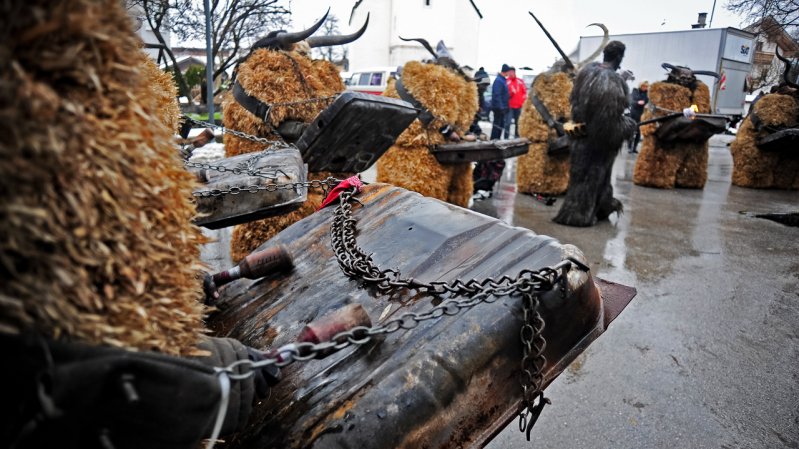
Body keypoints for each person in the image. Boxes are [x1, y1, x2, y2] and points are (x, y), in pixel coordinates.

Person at [553, 41, 636, 226]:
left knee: (584, 175)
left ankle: (601, 207)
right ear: (619, 57)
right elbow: (606, 122)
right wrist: (628, 126)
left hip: (580, 134)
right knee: (592, 176)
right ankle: (579, 215)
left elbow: (576, 103)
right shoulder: (613, 81)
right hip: (597, 141)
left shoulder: (586, 72)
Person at [490, 64, 511, 140]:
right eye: (508, 71)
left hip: (502, 108)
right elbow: (497, 95)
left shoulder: (502, 80)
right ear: (506, 71)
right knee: (497, 126)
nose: (509, 73)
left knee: (500, 126)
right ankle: (493, 141)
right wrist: (501, 107)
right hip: (498, 108)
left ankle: (497, 140)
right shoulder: (499, 80)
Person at [628, 81, 649, 153]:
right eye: (644, 86)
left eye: (646, 87)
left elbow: (646, 101)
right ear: (641, 86)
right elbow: (631, 101)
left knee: (638, 132)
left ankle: (634, 148)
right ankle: (629, 147)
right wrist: (638, 102)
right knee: (632, 130)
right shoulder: (635, 91)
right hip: (633, 113)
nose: (645, 88)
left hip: (641, 114)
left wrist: (642, 102)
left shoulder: (647, 93)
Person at [507, 67, 528, 138]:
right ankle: (506, 137)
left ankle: (517, 137)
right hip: (510, 106)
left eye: (512, 72)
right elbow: (505, 95)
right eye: (509, 72)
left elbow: (525, 92)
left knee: (518, 123)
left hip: (519, 106)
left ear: (514, 72)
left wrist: (523, 101)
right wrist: (511, 93)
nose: (511, 74)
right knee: (508, 123)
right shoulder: (506, 82)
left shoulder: (520, 81)